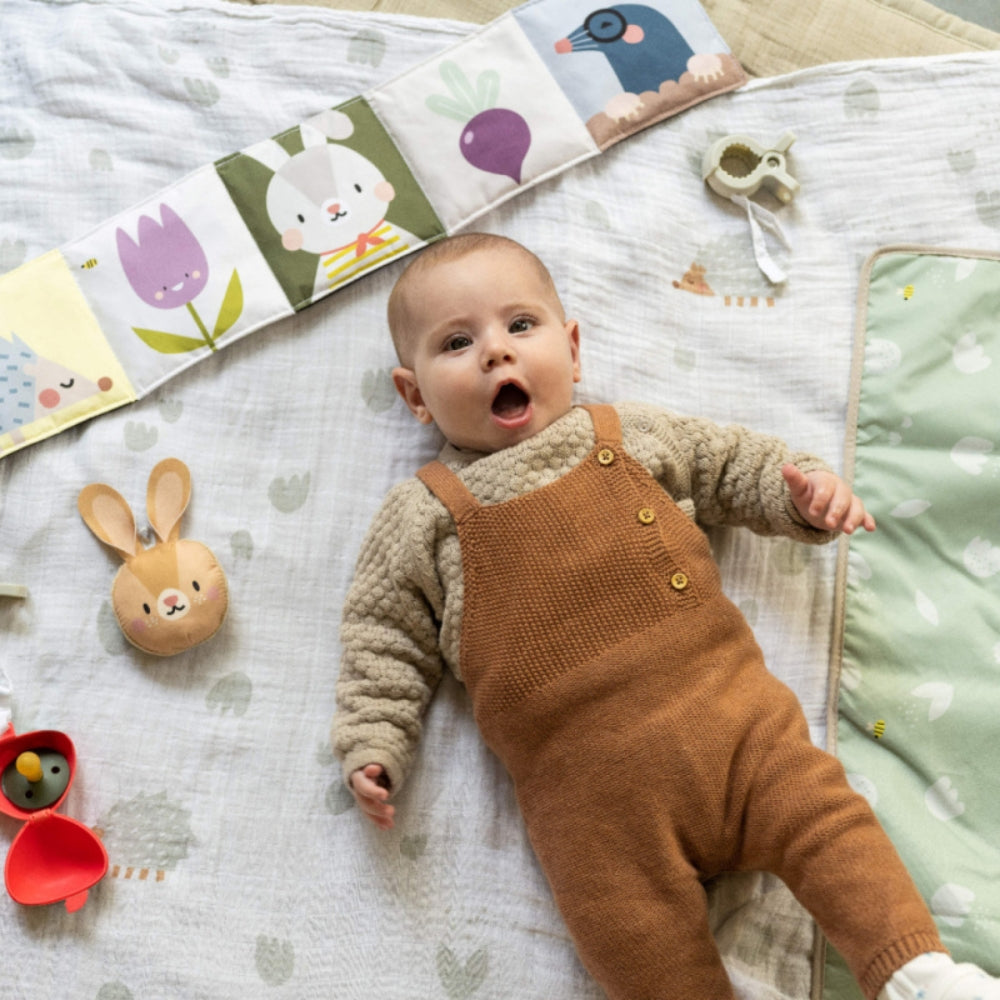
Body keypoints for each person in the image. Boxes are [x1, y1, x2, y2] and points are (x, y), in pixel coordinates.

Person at [333, 232, 999, 1000]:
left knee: (827, 822)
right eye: (457, 343)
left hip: (737, 733)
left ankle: (914, 973)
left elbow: (734, 463)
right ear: (414, 395)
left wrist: (805, 491)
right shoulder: (422, 516)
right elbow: (381, 637)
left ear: (571, 350)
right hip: (592, 810)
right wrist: (373, 741)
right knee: (625, 934)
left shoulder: (633, 436)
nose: (496, 352)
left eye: (520, 325)